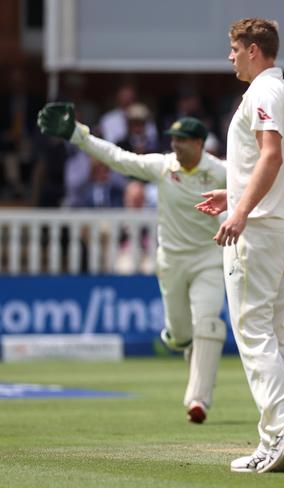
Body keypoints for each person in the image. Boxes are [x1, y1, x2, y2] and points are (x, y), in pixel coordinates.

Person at [195, 18, 284, 474]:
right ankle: (272, 440)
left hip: (259, 230)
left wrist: (240, 212)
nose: (230, 57)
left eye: (234, 49)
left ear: (254, 49)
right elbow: (264, 159)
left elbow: (271, 154)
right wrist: (232, 195)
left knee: (253, 334)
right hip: (282, 226)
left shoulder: (264, 93)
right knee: (275, 335)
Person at [37, 105, 228, 424]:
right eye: (173, 139)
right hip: (171, 260)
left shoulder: (221, 171)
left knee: (208, 324)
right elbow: (118, 158)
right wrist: (77, 134)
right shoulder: (163, 167)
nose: (175, 145)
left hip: (209, 259)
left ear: (199, 143)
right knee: (183, 336)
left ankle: (198, 401)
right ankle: (182, 344)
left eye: (182, 140)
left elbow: (257, 177)